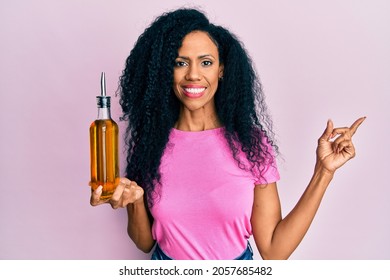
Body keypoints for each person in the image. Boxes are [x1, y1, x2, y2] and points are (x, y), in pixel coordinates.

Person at [90, 8, 365, 260]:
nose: (194, 75)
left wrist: (323, 172)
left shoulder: (250, 144)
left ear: (221, 70)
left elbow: (274, 250)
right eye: (180, 63)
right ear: (166, 71)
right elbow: (144, 242)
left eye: (206, 62)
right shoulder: (151, 143)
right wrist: (136, 202)